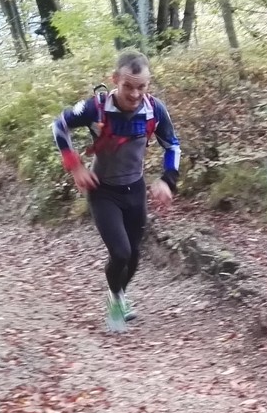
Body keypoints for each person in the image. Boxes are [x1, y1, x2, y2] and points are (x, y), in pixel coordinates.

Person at [51, 50, 181, 331]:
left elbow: (172, 145)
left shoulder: (155, 109)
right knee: (120, 252)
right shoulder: (96, 108)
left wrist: (167, 180)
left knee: (133, 255)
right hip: (103, 191)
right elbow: (59, 126)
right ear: (115, 80)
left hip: (135, 190)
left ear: (148, 84)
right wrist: (75, 166)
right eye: (128, 86)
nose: (135, 94)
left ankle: (119, 294)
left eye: (141, 86)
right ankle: (116, 299)